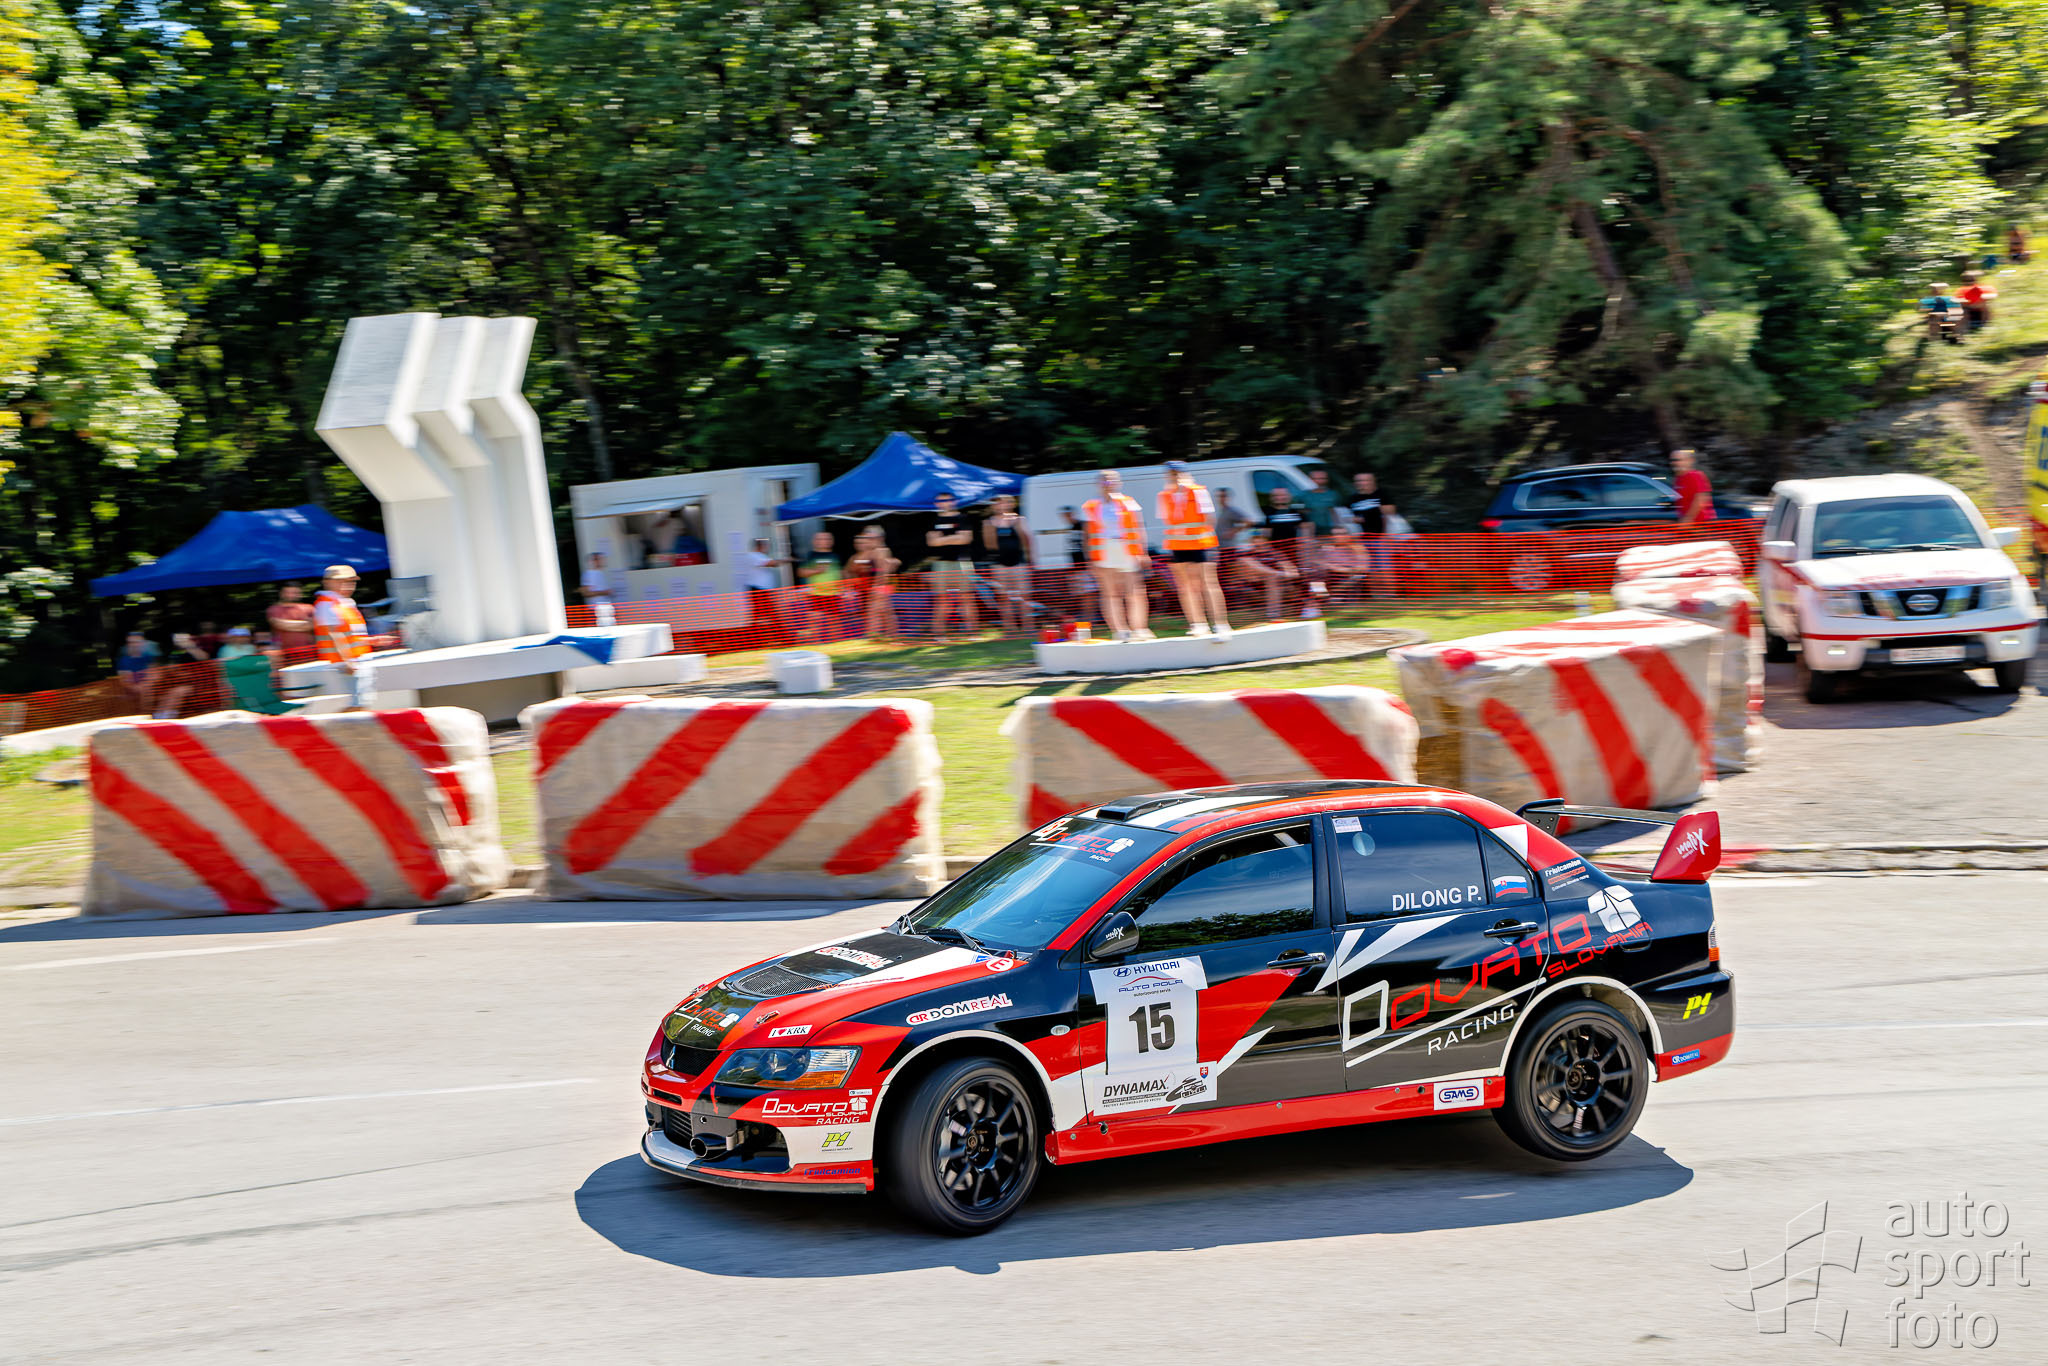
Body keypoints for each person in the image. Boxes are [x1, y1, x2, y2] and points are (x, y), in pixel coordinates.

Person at [1156, 461, 1230, 638]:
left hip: (1201, 543)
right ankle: (1198, 624)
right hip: (1178, 545)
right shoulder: (1164, 495)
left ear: (1185, 474)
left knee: (1208, 583)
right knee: (1186, 587)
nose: (1175, 477)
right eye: (1171, 474)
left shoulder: (1198, 491)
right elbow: (1167, 521)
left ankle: (1220, 624)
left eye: (1177, 473)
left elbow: (1209, 519)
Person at [1082, 471, 1151, 641]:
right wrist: (1090, 559)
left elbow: (1139, 528)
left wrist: (1143, 552)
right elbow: (1087, 535)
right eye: (1104, 481)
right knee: (1110, 592)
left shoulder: (1128, 502)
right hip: (1104, 550)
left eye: (1111, 480)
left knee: (1135, 591)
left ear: (1118, 483)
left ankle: (1139, 629)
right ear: (1098, 484)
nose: (1108, 484)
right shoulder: (1091, 506)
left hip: (1126, 548)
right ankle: (1120, 630)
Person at [314, 564, 376, 711]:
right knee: (358, 705)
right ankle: (328, 724)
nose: (348, 585)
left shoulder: (343, 604)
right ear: (327, 582)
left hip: (356, 660)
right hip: (347, 663)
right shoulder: (327, 605)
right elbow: (334, 634)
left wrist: (373, 641)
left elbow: (351, 636)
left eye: (351, 581)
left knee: (361, 704)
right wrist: (346, 661)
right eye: (341, 581)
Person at [1261, 486, 1326, 617]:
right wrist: (1271, 553)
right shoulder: (1269, 514)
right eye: (1277, 495)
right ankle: (1276, 612)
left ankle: (1309, 607)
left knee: (1304, 579)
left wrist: (1306, 550)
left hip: (1296, 553)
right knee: (1281, 581)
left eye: (1283, 495)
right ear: (1273, 498)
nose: (1280, 498)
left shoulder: (1297, 513)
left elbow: (1307, 531)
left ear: (1288, 497)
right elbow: (1265, 536)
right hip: (1278, 554)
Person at [924, 493, 978, 643]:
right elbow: (932, 542)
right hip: (941, 564)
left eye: (948, 500)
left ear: (954, 501)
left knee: (967, 598)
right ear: (936, 503)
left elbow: (966, 539)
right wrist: (955, 537)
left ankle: (973, 634)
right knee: (941, 600)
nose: (944, 503)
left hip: (963, 562)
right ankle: (939, 635)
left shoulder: (963, 518)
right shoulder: (933, 520)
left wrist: (942, 539)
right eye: (940, 501)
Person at [982, 493, 1033, 633]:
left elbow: (1027, 541)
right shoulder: (988, 522)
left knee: (1024, 596)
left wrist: (1030, 559)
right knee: (1003, 597)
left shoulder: (1020, 520)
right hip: (999, 565)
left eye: (1004, 502)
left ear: (1011, 504)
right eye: (997, 503)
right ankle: (1010, 628)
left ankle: (1028, 627)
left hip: (1019, 563)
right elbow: (989, 545)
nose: (1001, 505)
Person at [1233, 531, 1301, 621]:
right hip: (1252, 582)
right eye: (1255, 538)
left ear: (1266, 539)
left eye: (1260, 538)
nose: (1257, 541)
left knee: (1271, 578)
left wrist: (1276, 575)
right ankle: (1275, 574)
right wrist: (1274, 574)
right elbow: (1245, 572)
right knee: (1245, 561)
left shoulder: (1275, 554)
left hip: (1276, 583)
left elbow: (1293, 573)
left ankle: (1273, 615)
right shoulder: (1247, 554)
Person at [848, 524, 899, 641]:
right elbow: (856, 564)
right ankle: (891, 636)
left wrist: (877, 587)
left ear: (879, 538)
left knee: (875, 612)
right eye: (866, 538)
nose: (867, 541)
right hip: (879, 587)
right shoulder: (872, 551)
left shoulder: (881, 550)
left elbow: (883, 571)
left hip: (880, 587)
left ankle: (874, 636)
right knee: (886, 612)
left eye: (870, 538)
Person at [798, 529, 845, 643]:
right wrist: (816, 571)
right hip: (816, 594)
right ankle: (815, 646)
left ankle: (836, 645)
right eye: (820, 539)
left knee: (835, 622)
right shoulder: (810, 556)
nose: (824, 541)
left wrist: (844, 587)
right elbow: (801, 572)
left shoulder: (836, 556)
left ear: (832, 541)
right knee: (815, 622)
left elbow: (841, 573)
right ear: (814, 541)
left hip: (834, 594)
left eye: (827, 538)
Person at [1061, 506, 1098, 626]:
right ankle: (1088, 621)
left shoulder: (1084, 525)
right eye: (1065, 515)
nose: (1067, 517)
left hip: (1086, 566)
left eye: (1069, 514)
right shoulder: (1071, 528)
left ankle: (1090, 621)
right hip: (1077, 568)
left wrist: (1090, 561)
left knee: (1089, 595)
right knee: (1084, 596)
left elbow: (1089, 543)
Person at [741, 539, 785, 641]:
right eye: (766, 546)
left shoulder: (760, 556)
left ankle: (752, 639)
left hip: (762, 590)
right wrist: (786, 560)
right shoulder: (753, 556)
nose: (767, 548)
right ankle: (782, 636)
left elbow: (772, 563)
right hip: (758, 590)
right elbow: (771, 563)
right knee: (771, 614)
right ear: (760, 546)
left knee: (759, 615)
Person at [266, 584, 317, 664]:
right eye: (288, 592)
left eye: (294, 592)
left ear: (299, 594)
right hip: (285, 656)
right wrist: (304, 625)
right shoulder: (274, 610)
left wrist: (286, 624)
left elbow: (314, 625)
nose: (291, 595)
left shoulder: (309, 608)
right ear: (281, 594)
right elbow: (279, 624)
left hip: (309, 654)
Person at [1671, 449, 1712, 526]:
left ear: (1689, 461)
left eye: (1678, 460)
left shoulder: (1695, 475)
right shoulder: (1678, 478)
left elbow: (1701, 499)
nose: (1675, 463)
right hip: (1685, 523)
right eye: (1673, 460)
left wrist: (1688, 518)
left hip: (1698, 524)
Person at [1300, 467, 1342, 537]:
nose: (1319, 481)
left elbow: (1335, 512)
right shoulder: (1303, 496)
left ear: (1327, 480)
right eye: (1315, 479)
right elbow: (1300, 513)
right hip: (1310, 533)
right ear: (1309, 479)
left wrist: (1338, 527)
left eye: (1322, 478)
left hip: (1330, 531)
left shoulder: (1333, 495)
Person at [1348, 471, 1385, 536]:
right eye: (1358, 481)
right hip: (1360, 536)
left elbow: (1388, 515)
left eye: (1364, 480)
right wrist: (1353, 519)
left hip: (1380, 535)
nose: (1360, 483)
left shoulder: (1381, 494)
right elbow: (1347, 516)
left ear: (1372, 482)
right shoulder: (1352, 498)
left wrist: (1385, 535)